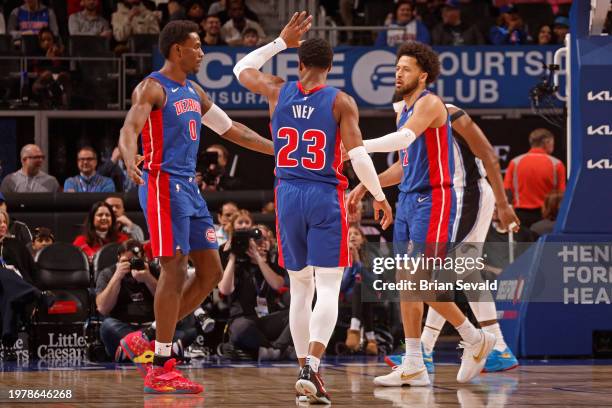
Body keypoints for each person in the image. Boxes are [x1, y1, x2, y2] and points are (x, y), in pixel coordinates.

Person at [233, 12, 392, 404]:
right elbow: (356, 155)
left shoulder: (276, 89)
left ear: (299, 63)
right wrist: (379, 195)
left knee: (300, 290)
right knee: (330, 287)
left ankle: (306, 373)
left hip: (287, 196)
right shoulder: (340, 101)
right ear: (330, 67)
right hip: (324, 196)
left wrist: (280, 42)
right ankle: (312, 368)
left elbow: (241, 68)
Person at [117, 19, 275, 394]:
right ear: (177, 50)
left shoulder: (195, 91)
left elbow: (233, 129)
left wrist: (279, 150)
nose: (203, 52)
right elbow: (129, 128)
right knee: (174, 268)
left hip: (189, 188)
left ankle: (151, 338)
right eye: (197, 46)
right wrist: (128, 155)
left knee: (209, 272)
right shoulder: (152, 87)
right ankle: (161, 364)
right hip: (160, 185)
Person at [345, 41, 496, 387]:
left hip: (437, 199)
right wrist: (367, 185)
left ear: (423, 75)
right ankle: (414, 363)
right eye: (396, 68)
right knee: (405, 285)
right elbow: (404, 163)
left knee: (419, 281)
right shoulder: (403, 110)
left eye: (406, 68)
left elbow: (402, 139)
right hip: (409, 200)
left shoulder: (430, 103)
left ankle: (475, 337)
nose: (398, 73)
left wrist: (358, 146)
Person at [360, 102, 520, 373]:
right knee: (462, 271)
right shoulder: (411, 123)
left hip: (471, 194)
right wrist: (367, 184)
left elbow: (489, 156)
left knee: (444, 271)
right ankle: (487, 348)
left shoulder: (447, 112)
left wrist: (504, 205)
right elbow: (404, 168)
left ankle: (434, 347)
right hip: (452, 199)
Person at [96, 239, 197, 362]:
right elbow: (103, 308)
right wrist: (117, 277)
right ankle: (157, 351)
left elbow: (170, 301)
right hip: (124, 328)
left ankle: (132, 351)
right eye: (125, 262)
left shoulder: (154, 270)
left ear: (144, 258)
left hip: (155, 328)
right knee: (107, 326)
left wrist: (148, 279)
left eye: (134, 261)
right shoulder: (108, 273)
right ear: (118, 258)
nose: (131, 265)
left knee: (189, 327)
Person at [218, 210, 292, 360]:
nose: (261, 243)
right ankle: (277, 350)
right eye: (257, 239)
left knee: (296, 313)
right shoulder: (238, 265)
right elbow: (225, 290)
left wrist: (258, 259)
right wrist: (233, 256)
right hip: (242, 320)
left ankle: (273, 349)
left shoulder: (273, 264)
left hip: (266, 320)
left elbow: (277, 284)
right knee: (241, 328)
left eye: (265, 239)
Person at [503, 128, 566, 228]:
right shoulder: (557, 164)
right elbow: (561, 194)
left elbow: (507, 191)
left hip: (520, 216)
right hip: (546, 217)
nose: (553, 146)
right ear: (547, 142)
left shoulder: (515, 163)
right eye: (552, 143)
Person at [342, 225, 378, 355]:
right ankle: (371, 339)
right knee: (359, 287)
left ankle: (354, 329)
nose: (352, 236)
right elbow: (342, 285)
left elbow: (375, 281)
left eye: (356, 233)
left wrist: (358, 262)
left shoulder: (372, 256)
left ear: (362, 239)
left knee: (362, 287)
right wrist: (352, 263)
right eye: (349, 234)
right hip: (349, 295)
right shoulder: (342, 257)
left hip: (368, 293)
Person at [0, 208, 37, 284]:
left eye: (5, 222)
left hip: (18, 285)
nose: (3, 225)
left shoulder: (17, 245)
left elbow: (32, 271)